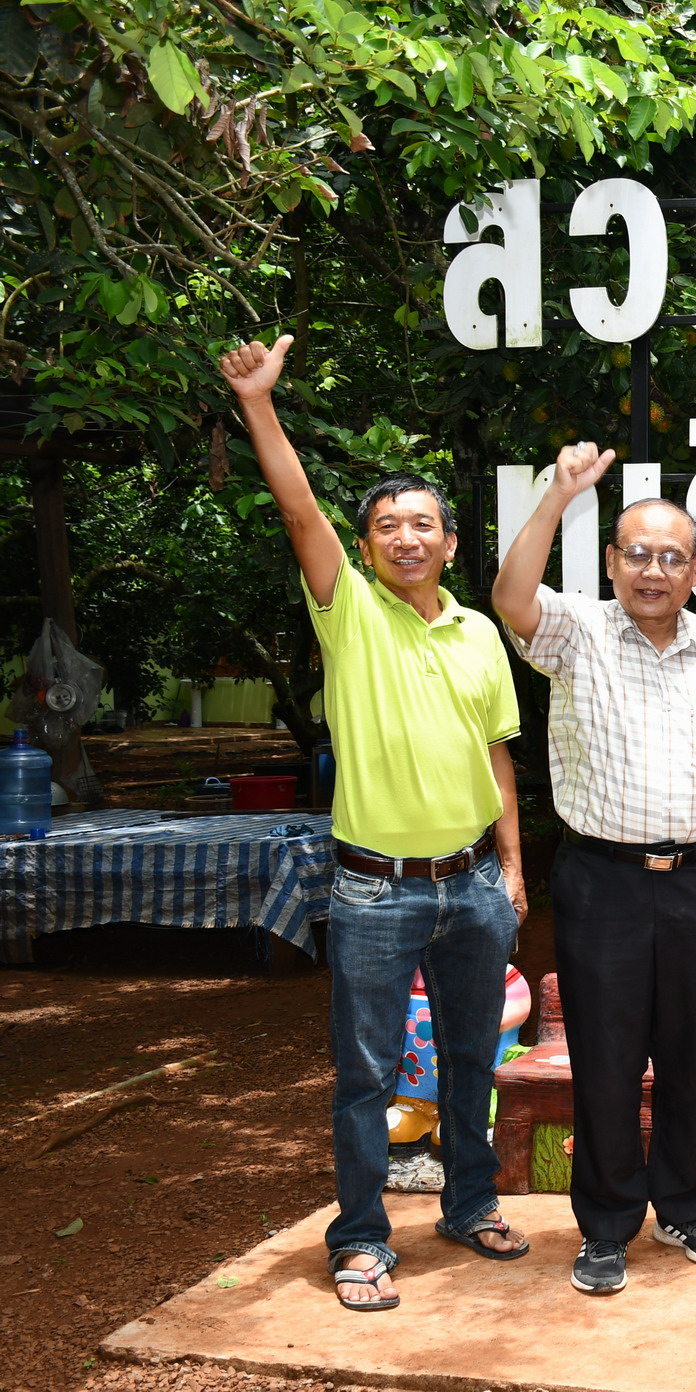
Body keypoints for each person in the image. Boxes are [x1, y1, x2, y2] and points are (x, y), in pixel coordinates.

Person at [218, 335, 529, 1311]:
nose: (406, 537)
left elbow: (496, 753)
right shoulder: (345, 610)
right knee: (366, 1076)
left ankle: (468, 1203)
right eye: (388, 525)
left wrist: (514, 867)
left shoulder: (477, 630)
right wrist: (261, 405)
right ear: (366, 546)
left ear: (447, 542)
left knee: (476, 1060)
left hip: (476, 883)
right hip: (374, 888)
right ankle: (359, 1241)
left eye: (422, 525)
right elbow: (299, 507)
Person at [491, 442, 696, 1295]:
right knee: (606, 1059)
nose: (654, 570)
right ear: (612, 561)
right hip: (602, 881)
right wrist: (556, 494)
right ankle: (607, 1225)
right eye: (638, 554)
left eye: (673, 557)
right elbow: (510, 598)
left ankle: (687, 1206)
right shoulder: (575, 632)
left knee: (690, 1053)